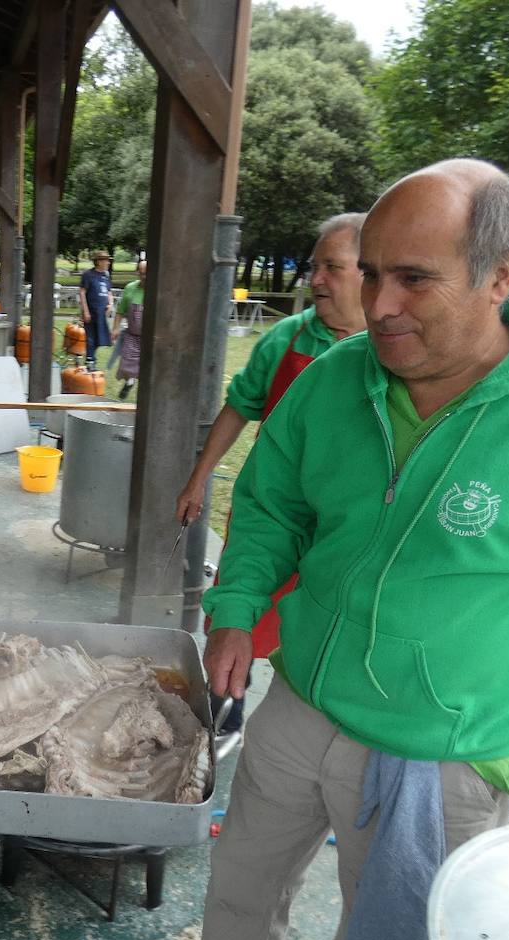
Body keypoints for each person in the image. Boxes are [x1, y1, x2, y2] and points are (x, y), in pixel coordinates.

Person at [85, 159, 509, 940]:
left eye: (414, 278)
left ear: (502, 273)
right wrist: (235, 609)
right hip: (301, 703)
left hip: (439, 752)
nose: (378, 304)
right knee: (241, 884)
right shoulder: (339, 380)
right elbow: (271, 503)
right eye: (371, 271)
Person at [175, 213, 367, 744]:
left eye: (333, 267)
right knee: (241, 610)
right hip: (273, 508)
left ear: (368, 273)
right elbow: (239, 407)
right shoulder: (287, 338)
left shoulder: (394, 351)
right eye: (315, 267)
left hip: (344, 523)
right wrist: (198, 479)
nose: (316, 280)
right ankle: (225, 705)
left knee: (318, 620)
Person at [109, 260, 146, 398]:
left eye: (146, 274)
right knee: (127, 364)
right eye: (141, 274)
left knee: (147, 366)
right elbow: (120, 311)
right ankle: (129, 382)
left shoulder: (157, 290)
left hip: (149, 338)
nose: (143, 277)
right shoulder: (130, 288)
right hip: (132, 334)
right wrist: (115, 328)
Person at [78, 249, 114, 364]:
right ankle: (90, 360)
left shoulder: (105, 276)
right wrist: (86, 311)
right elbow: (82, 292)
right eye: (106, 261)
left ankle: (91, 358)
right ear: (99, 262)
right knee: (91, 337)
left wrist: (111, 304)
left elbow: (109, 292)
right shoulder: (88, 275)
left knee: (101, 338)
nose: (108, 263)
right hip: (91, 311)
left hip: (102, 313)